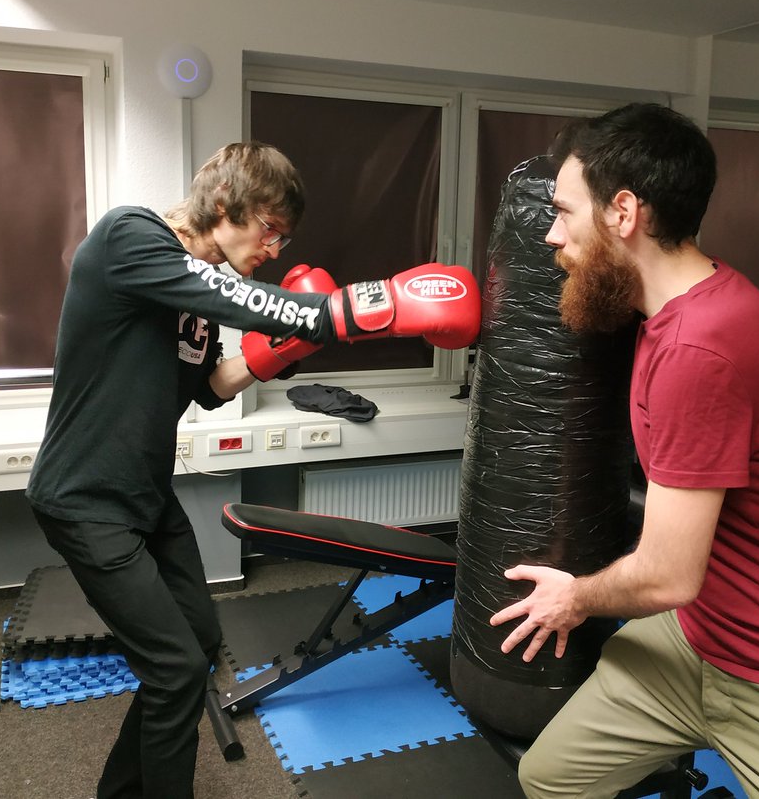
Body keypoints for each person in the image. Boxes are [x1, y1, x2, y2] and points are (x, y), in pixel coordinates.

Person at [26, 141, 479, 799]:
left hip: (145, 495)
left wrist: (283, 352)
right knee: (175, 669)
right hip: (84, 498)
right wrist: (358, 308)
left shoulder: (196, 305)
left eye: (283, 238)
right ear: (222, 203)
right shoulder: (131, 237)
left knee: (198, 644)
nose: (275, 248)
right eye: (269, 229)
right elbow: (239, 298)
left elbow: (210, 388)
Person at [489, 104, 759, 798]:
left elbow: (665, 577)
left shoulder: (700, 347)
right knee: (553, 780)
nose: (550, 234)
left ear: (623, 212)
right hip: (701, 637)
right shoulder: (671, 313)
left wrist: (575, 598)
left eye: (563, 212)